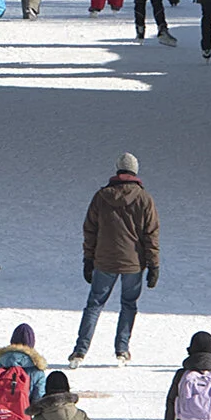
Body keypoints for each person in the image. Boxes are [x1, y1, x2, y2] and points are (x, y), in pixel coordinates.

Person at [72, 153, 160, 363]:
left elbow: (90, 230)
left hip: (104, 260)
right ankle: (122, 349)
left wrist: (88, 259)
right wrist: (154, 264)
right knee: (128, 304)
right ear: (135, 171)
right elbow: (151, 233)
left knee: (94, 304)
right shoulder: (144, 198)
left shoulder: (101, 197)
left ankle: (80, 351)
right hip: (133, 262)